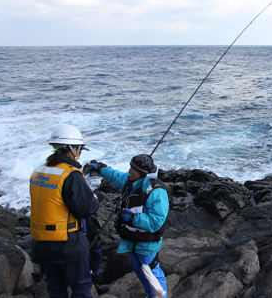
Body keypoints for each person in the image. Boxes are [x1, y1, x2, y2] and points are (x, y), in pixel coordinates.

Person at [30, 125, 99, 298]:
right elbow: (86, 208)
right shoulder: (70, 174)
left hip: (42, 243)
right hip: (67, 243)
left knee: (56, 288)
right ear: (72, 149)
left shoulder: (38, 171)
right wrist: (94, 199)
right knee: (81, 287)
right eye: (79, 149)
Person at [88, 154, 169, 298]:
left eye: (134, 169)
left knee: (153, 276)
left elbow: (156, 221)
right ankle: (151, 295)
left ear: (143, 173)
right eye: (131, 167)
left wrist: (132, 219)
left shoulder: (157, 191)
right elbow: (115, 176)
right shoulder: (131, 182)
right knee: (142, 275)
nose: (130, 170)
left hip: (146, 245)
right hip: (131, 241)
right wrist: (101, 168)